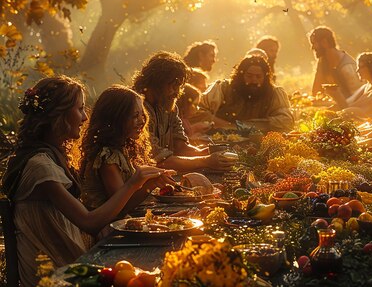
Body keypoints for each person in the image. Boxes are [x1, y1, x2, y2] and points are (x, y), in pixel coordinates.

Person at [0, 76, 164, 286]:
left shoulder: (51, 156)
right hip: (55, 274)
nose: (85, 117)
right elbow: (90, 222)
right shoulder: (40, 167)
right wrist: (133, 183)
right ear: (58, 115)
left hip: (73, 261)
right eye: (79, 109)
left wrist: (142, 186)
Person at [79, 85, 176, 215]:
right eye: (135, 116)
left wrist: (154, 180)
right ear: (115, 119)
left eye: (142, 114)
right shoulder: (107, 157)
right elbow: (121, 207)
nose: (142, 121)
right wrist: (149, 184)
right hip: (108, 229)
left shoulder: (124, 148)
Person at [133, 52, 235, 172]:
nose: (177, 92)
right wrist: (206, 160)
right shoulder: (136, 109)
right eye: (173, 86)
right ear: (157, 83)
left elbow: (181, 147)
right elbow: (158, 160)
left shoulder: (169, 106)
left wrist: (210, 152)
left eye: (179, 87)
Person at [199, 55, 294, 132]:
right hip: (220, 139)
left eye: (258, 77)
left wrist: (250, 126)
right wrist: (229, 126)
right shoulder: (223, 88)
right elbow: (200, 112)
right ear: (241, 75)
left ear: (265, 78)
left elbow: (286, 121)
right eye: (249, 76)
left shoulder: (274, 93)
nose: (254, 80)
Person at [325, 52, 372, 121]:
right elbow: (348, 104)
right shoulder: (366, 87)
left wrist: (337, 95)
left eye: (361, 67)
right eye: (357, 67)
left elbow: (365, 115)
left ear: (371, 68)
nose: (357, 70)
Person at [309, 26, 363, 99]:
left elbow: (359, 97)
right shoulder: (323, 62)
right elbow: (316, 92)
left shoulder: (347, 66)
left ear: (325, 42)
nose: (312, 47)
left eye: (314, 43)